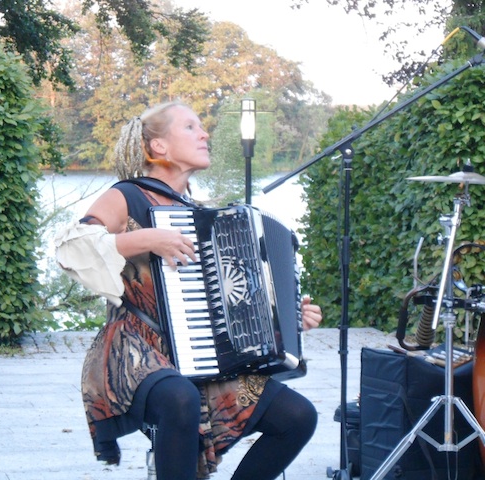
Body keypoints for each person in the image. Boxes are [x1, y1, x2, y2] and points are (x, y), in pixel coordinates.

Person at [56, 100, 323, 480]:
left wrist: (289, 318)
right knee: (179, 398)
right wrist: (148, 237)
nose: (205, 134)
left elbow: (236, 300)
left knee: (297, 417)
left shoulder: (205, 217)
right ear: (159, 147)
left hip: (202, 354)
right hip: (135, 346)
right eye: (191, 128)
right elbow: (71, 248)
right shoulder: (127, 196)